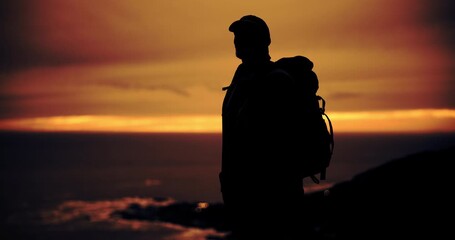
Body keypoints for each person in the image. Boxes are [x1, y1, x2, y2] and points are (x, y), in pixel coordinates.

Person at [220, 15, 309, 239]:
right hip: (245, 200)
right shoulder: (242, 78)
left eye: (244, 35)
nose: (237, 41)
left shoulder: (276, 82)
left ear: (261, 41)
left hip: (271, 202)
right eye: (236, 36)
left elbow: (276, 144)